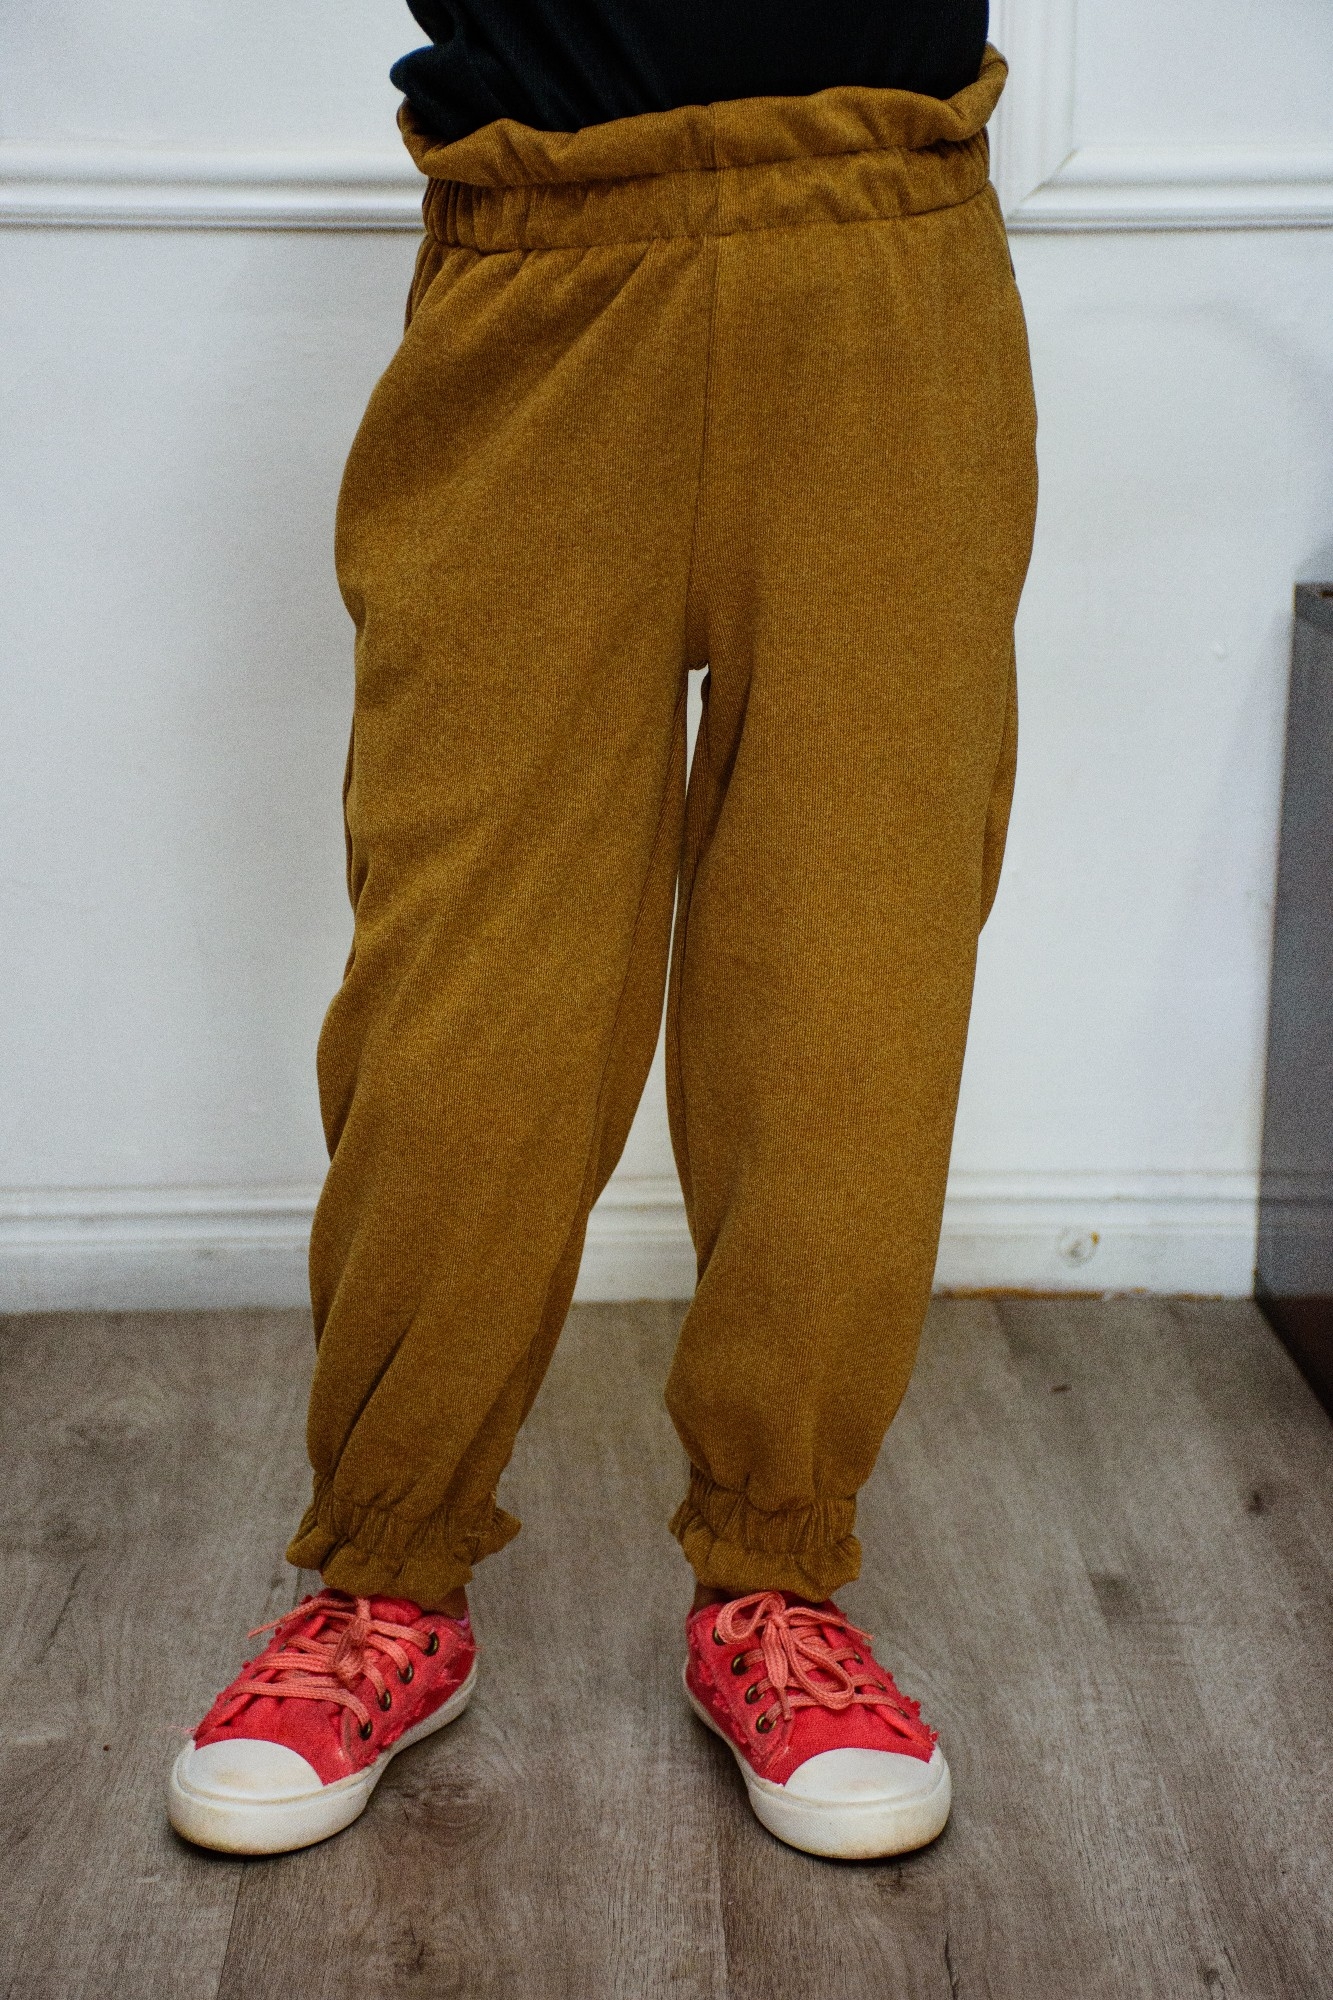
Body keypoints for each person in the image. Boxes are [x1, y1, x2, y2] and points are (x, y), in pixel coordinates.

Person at [166, 0, 1036, 1861]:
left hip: (884, 266)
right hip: (534, 268)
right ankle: (384, 1575)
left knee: (850, 984)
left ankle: (776, 1577)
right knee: (464, 1000)